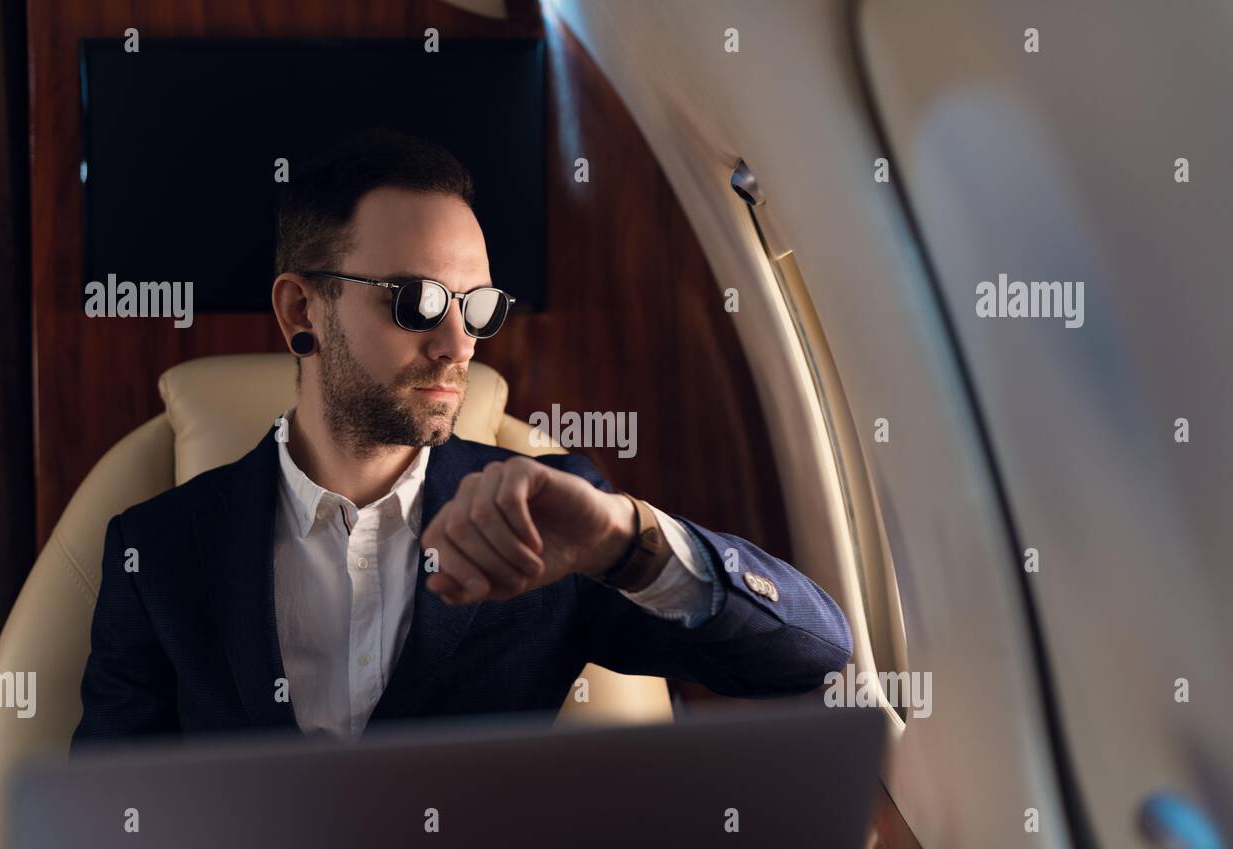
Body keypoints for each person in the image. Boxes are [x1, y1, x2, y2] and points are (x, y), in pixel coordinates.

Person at [72, 128, 852, 743]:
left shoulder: (554, 523)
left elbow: (815, 656)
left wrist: (626, 540)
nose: (459, 344)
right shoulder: (158, 550)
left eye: (477, 307)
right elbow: (102, 828)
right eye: (416, 301)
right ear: (301, 311)